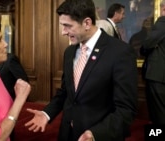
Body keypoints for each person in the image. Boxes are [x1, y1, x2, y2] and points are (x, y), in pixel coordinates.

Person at [25, 0, 137, 141]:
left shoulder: (120, 52)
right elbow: (66, 92)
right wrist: (47, 113)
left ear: (87, 23)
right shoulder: (70, 52)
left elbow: (126, 109)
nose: (63, 32)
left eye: (67, 26)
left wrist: (95, 134)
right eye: (62, 26)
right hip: (68, 134)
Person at [139, 0, 165, 125]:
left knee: (157, 114)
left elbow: (147, 44)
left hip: (158, 76)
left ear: (163, 9)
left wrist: (143, 49)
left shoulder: (163, 22)